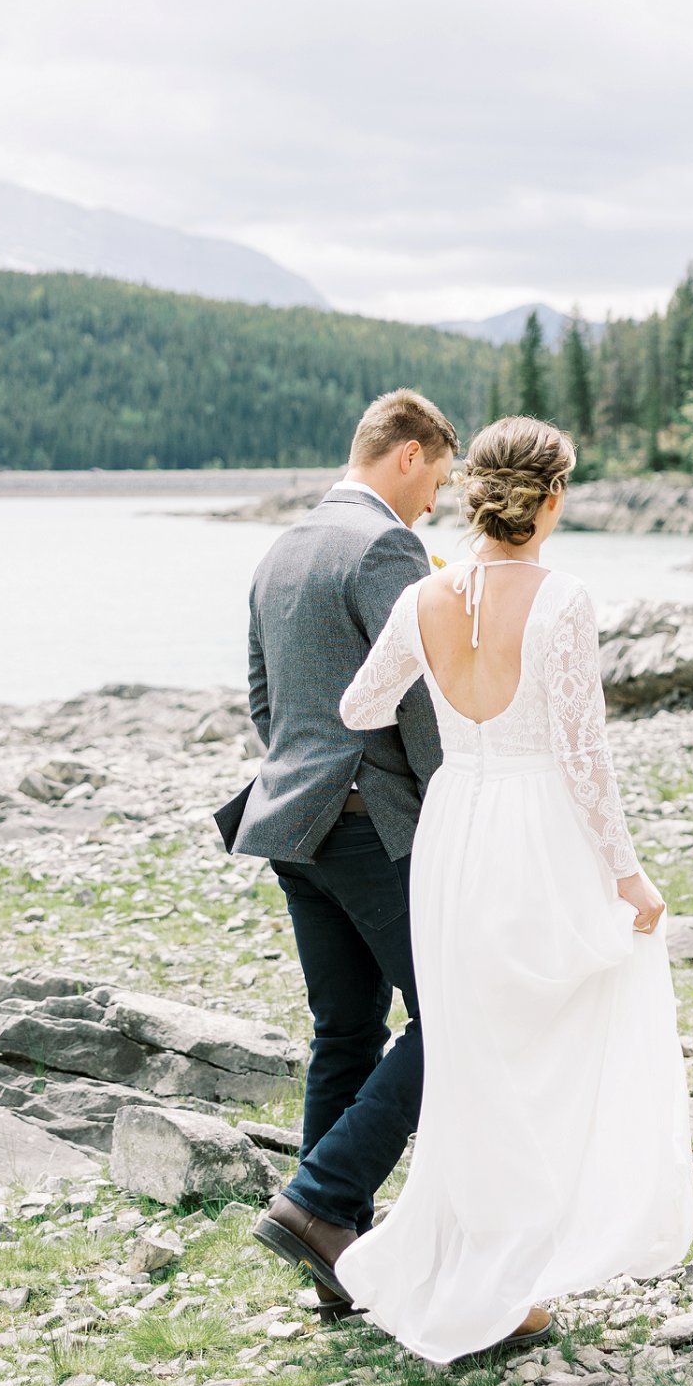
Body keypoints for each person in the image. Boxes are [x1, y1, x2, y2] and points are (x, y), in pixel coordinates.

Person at [331, 415, 693, 1364]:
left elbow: (357, 707)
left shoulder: (422, 594)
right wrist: (628, 872)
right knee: (555, 1032)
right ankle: (514, 1273)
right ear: (554, 493)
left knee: (471, 1050)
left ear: (475, 492)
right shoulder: (565, 598)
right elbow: (584, 755)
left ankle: (484, 1266)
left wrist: (439, 673)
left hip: (458, 823)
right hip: (538, 827)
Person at [213, 387, 456, 1319]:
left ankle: (333, 1255)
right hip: (369, 823)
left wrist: (309, 774)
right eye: (435, 476)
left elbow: (264, 701)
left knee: (346, 1030)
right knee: (459, 1014)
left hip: (290, 823)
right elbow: (422, 693)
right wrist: (452, 798)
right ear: (405, 454)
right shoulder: (385, 546)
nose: (434, 499)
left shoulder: (281, 547)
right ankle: (317, 1200)